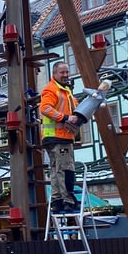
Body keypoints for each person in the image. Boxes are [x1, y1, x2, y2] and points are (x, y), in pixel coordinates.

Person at [39, 62, 80, 214]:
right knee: (66, 169)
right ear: (55, 73)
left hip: (54, 138)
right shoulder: (53, 89)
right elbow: (45, 108)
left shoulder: (65, 91)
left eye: (67, 72)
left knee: (56, 170)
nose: (65, 75)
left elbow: (75, 108)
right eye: (62, 72)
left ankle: (57, 201)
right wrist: (65, 118)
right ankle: (68, 200)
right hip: (60, 137)